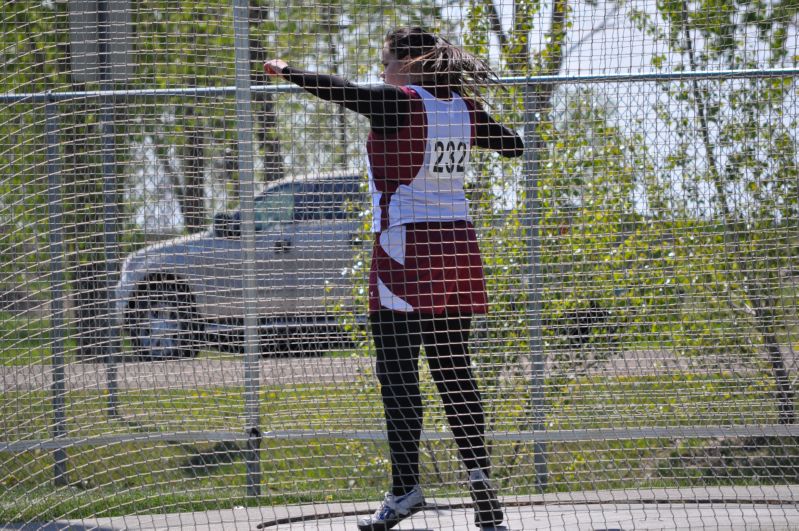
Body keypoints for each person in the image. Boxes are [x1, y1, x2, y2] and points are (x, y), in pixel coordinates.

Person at [264, 26, 524, 530]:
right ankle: (483, 489)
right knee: (454, 370)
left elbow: (344, 93)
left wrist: (288, 70)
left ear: (407, 62)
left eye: (385, 59)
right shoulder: (463, 109)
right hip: (459, 248)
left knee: (399, 376)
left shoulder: (401, 101)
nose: (381, 69)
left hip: (408, 249)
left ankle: (406, 489)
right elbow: (512, 146)